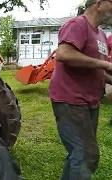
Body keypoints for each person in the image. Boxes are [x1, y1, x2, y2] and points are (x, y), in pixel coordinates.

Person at [48, 0, 112, 179]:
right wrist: (105, 64)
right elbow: (64, 54)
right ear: (99, 3)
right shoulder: (77, 24)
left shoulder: (100, 34)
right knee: (86, 155)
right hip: (71, 100)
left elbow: (97, 71)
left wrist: (106, 72)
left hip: (90, 102)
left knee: (78, 153)